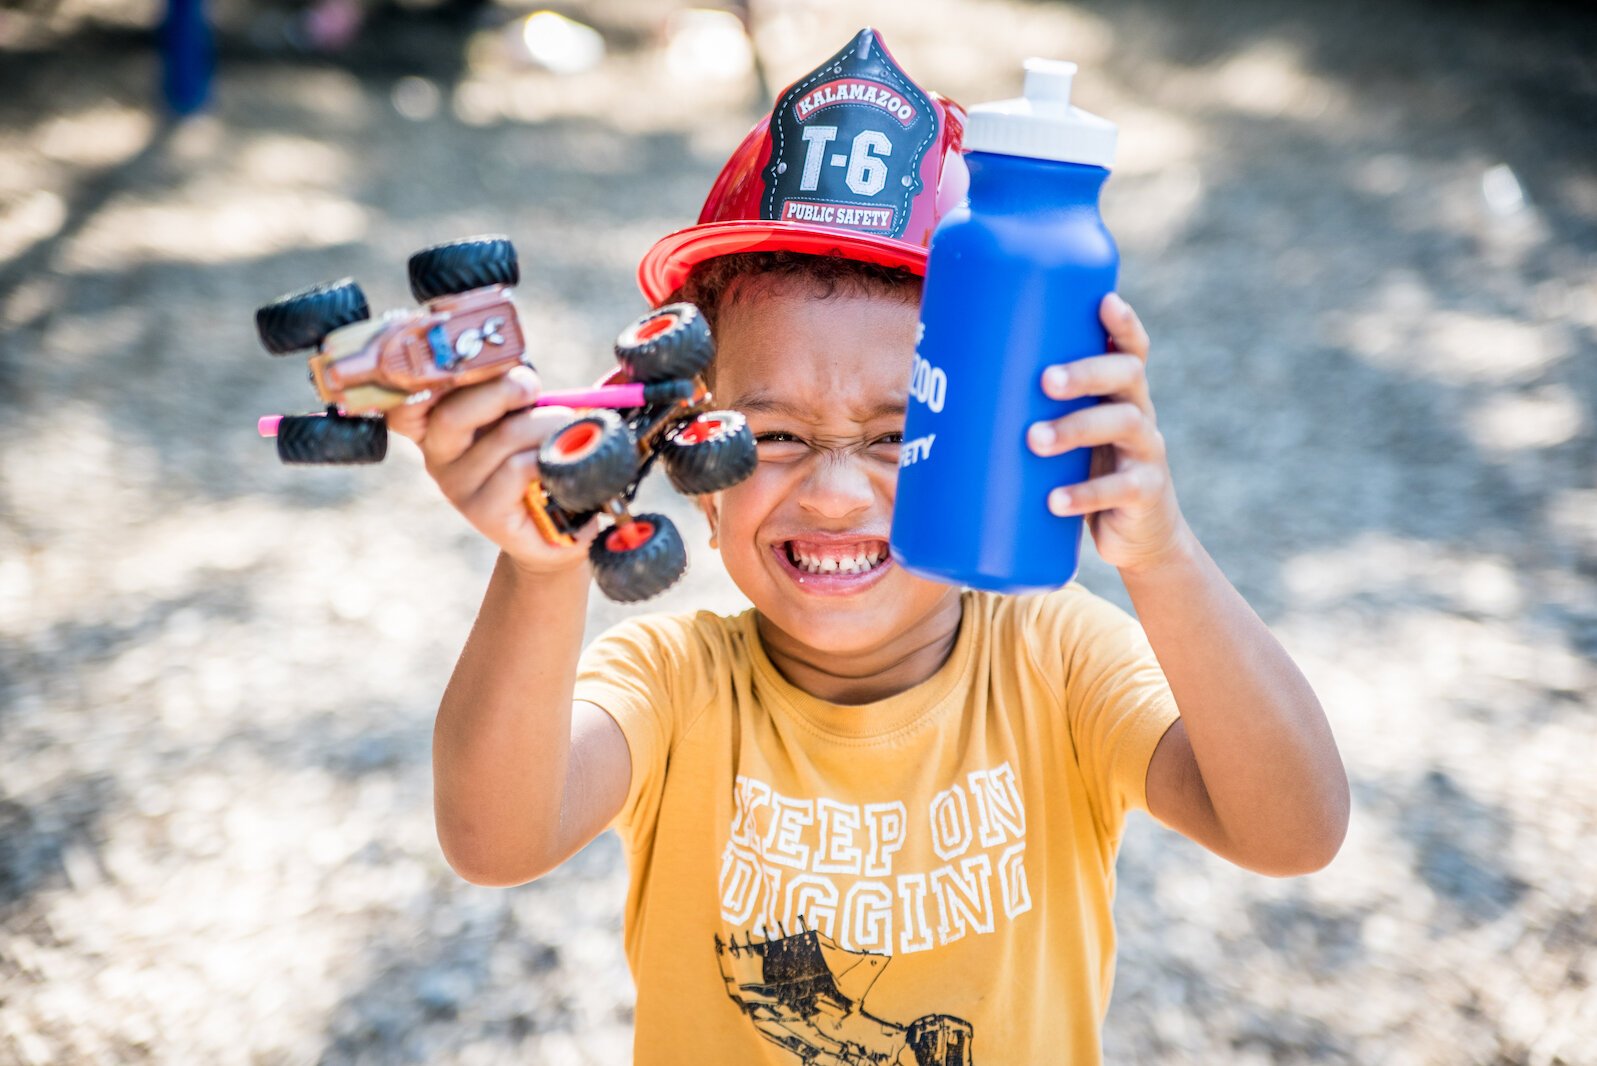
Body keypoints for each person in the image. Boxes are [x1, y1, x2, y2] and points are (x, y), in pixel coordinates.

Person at [390, 28, 1349, 1066]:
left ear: (1003, 444)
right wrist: (541, 560)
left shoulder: (1059, 661)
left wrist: (1159, 554)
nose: (837, 493)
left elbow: (1292, 830)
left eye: (899, 435)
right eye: (776, 436)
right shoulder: (672, 686)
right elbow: (493, 841)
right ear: (691, 453)